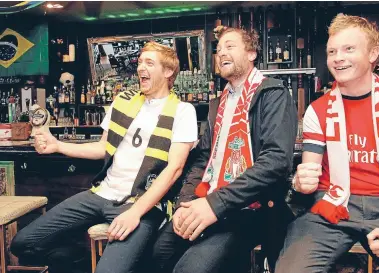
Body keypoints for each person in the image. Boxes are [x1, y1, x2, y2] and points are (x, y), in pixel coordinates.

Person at [11, 41, 198, 273]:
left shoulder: (182, 111)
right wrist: (57, 146)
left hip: (139, 202)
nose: (141, 68)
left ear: (169, 71)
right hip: (100, 194)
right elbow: (103, 148)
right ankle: (84, 263)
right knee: (23, 243)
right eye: (140, 62)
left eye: (149, 63)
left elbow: (174, 170)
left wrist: (134, 214)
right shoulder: (124, 101)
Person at [276, 14, 379, 273]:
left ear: (373, 53)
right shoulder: (318, 110)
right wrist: (299, 182)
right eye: (332, 51)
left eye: (349, 49)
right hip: (333, 205)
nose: (338, 57)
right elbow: (308, 176)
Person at [152, 27, 297, 273]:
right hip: (208, 198)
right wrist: (185, 204)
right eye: (218, 50)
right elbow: (203, 160)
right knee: (157, 255)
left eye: (230, 46)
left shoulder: (273, 94)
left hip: (252, 208)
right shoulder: (218, 103)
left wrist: (214, 205)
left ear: (251, 53)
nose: (221, 54)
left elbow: (276, 161)